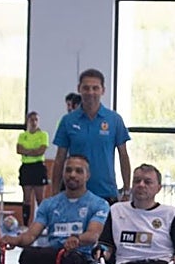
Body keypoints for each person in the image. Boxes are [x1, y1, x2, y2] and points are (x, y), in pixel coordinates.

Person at [1, 154, 109, 264]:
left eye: (78, 171)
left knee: (48, 255)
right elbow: (31, 236)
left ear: (87, 176)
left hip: (80, 257)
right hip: (52, 255)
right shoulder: (50, 204)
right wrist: (14, 240)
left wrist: (77, 239)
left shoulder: (98, 204)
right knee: (28, 254)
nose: (72, 174)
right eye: (68, 170)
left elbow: (93, 234)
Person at [52, 69, 131, 202]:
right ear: (79, 89)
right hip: (74, 194)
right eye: (86, 88)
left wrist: (127, 190)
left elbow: (123, 156)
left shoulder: (114, 119)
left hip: (106, 193)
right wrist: (54, 192)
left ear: (103, 90)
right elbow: (60, 159)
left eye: (95, 88)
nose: (90, 92)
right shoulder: (67, 121)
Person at [16, 111, 49, 227]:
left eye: (36, 120)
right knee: (27, 198)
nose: (34, 122)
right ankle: (25, 225)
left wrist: (27, 152)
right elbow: (19, 149)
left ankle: (43, 224)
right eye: (32, 120)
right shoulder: (22, 135)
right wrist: (33, 151)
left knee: (40, 199)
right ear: (28, 121)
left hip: (38, 167)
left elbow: (41, 151)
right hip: (26, 168)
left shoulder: (43, 135)